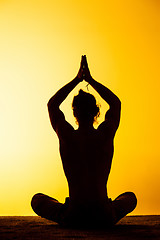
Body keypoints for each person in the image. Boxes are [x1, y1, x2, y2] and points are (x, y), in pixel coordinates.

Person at [31, 55, 137, 228]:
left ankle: (67, 210)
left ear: (74, 113)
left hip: (73, 215)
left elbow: (52, 105)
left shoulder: (67, 135)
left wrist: (77, 79)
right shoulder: (105, 134)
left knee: (37, 200)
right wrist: (90, 80)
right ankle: (107, 208)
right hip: (104, 215)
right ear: (96, 112)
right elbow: (115, 104)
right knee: (130, 197)